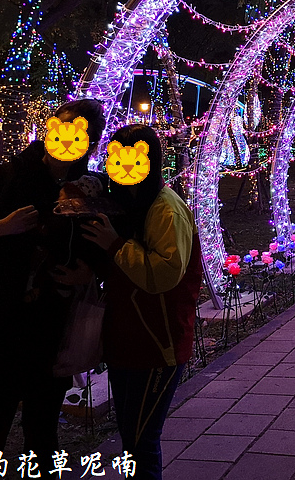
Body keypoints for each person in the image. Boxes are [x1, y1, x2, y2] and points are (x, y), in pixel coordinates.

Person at [0, 99, 108, 475]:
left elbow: (105, 246)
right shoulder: (11, 176)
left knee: (43, 439)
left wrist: (90, 272)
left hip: (49, 334)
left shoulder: (90, 188)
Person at [80, 124, 202, 480]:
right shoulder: (129, 204)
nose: (124, 168)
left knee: (142, 440)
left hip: (157, 342)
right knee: (132, 436)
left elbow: (164, 274)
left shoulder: (166, 209)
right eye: (116, 159)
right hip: (126, 339)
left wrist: (115, 245)